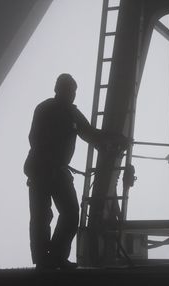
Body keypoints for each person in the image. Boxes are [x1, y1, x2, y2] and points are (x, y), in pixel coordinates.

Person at [24, 73, 128, 270]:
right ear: (58, 90)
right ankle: (47, 259)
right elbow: (35, 139)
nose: (71, 95)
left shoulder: (67, 113)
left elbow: (91, 134)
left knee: (65, 214)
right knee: (44, 216)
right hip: (42, 170)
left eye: (72, 91)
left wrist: (114, 139)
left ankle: (52, 257)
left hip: (50, 170)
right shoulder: (49, 110)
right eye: (69, 90)